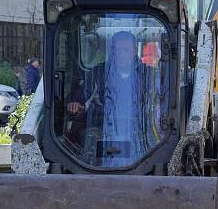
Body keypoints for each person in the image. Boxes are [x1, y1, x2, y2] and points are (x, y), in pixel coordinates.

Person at [67, 31, 167, 166]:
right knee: (90, 143)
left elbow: (159, 102)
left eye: (125, 50)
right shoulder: (99, 73)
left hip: (139, 127)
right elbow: (82, 95)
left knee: (148, 148)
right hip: (102, 127)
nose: (120, 54)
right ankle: (90, 177)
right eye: (117, 50)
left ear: (133, 51)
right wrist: (75, 104)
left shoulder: (147, 76)